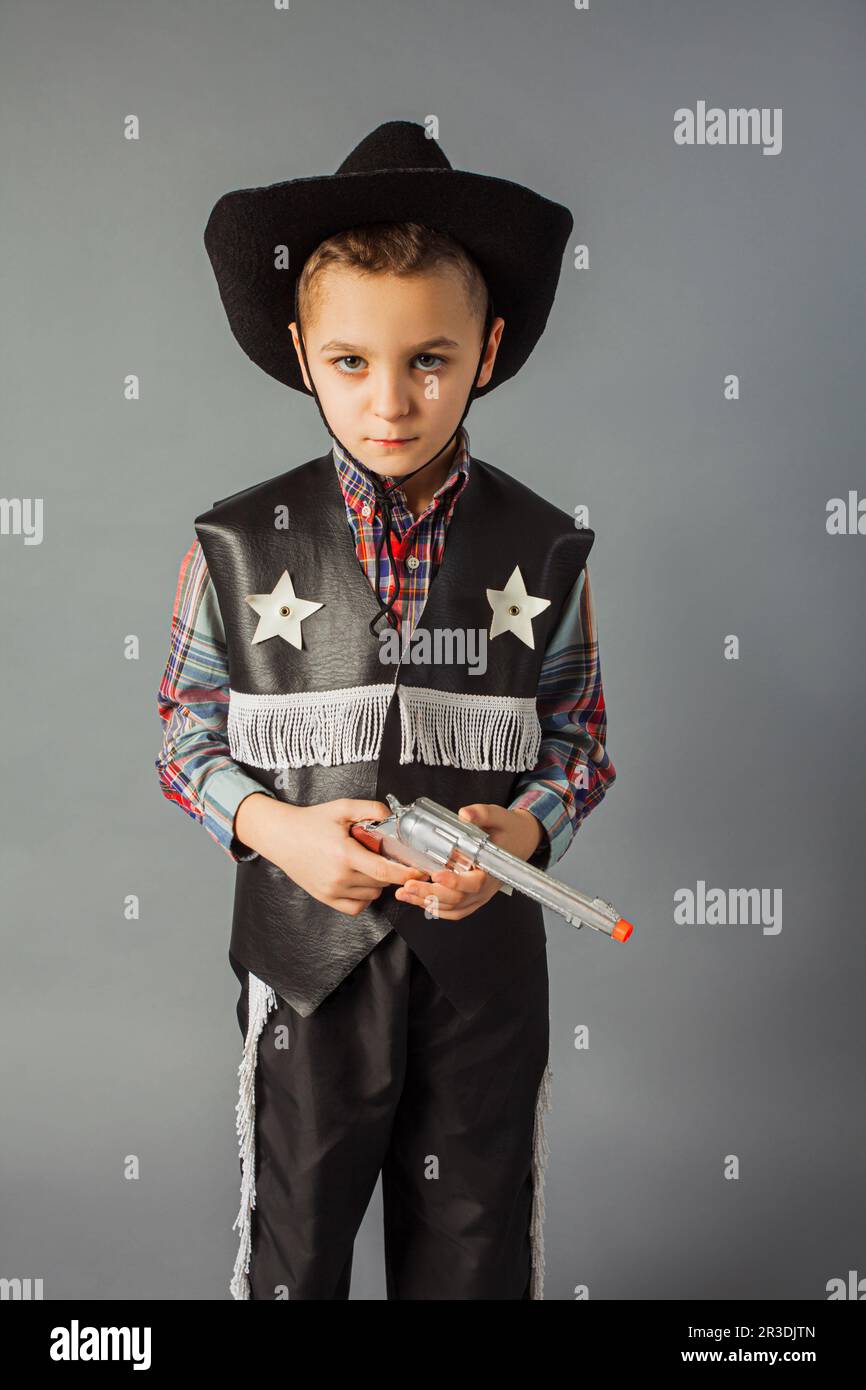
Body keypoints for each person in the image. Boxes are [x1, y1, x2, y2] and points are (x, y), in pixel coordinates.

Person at [155, 120, 617, 1300]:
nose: (391, 401)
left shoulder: (544, 547)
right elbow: (186, 734)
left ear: (487, 349)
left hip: (481, 967)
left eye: (429, 358)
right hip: (304, 962)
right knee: (297, 1246)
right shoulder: (231, 545)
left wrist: (515, 840)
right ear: (303, 350)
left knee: (471, 1248)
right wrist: (279, 832)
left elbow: (578, 741)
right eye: (352, 361)